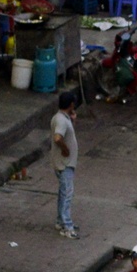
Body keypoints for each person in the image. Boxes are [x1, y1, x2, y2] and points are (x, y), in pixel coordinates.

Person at [50, 91, 79, 239]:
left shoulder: (62, 118)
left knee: (63, 193)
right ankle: (67, 227)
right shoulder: (61, 120)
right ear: (71, 104)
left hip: (64, 163)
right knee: (67, 193)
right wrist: (65, 149)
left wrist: (72, 120)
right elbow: (57, 138)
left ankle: (60, 221)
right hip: (64, 164)